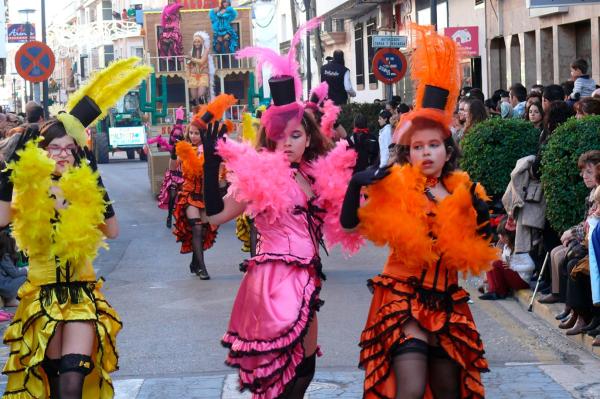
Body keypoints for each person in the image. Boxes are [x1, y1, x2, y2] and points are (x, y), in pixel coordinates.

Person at [341, 23, 496, 399]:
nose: (426, 152)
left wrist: (483, 218)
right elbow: (349, 224)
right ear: (407, 153)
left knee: (448, 391)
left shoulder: (467, 192)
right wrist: (356, 184)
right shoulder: (394, 187)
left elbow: (485, 245)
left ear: (448, 149)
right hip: (402, 298)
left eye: (434, 145)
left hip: (448, 301)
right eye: (417, 146)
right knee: (409, 390)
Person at [216, 17, 360, 398]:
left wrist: (361, 188)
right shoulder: (261, 174)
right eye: (280, 136)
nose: (288, 143)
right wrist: (206, 165)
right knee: (279, 371)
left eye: (296, 135)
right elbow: (221, 213)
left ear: (308, 135)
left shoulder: (315, 174)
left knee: (306, 370)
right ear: (269, 138)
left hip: (309, 279)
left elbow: (346, 223)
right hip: (274, 279)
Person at [0, 56, 149, 399]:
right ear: (40, 151)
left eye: (69, 149)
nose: (62, 155)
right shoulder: (28, 188)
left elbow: (112, 231)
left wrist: (95, 178)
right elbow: (2, 219)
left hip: (81, 294)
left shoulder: (83, 188)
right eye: (54, 148)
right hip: (42, 297)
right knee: (52, 386)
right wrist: (9, 176)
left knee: (73, 381)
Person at [172, 96, 233, 280]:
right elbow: (177, 170)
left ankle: (195, 261)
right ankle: (202, 268)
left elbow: (219, 171)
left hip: (206, 195)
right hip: (190, 194)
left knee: (205, 230)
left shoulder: (210, 150)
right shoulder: (184, 149)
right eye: (191, 133)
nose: (193, 136)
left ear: (204, 134)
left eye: (197, 133)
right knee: (197, 228)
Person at [538, 151, 600, 309]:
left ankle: (578, 312)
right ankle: (564, 301)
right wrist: (571, 232)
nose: (584, 176)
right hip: (589, 242)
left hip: (593, 246)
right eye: (583, 172)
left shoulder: (597, 195)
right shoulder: (591, 194)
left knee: (569, 260)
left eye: (589, 172)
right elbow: (586, 222)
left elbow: (591, 226)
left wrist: (572, 233)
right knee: (555, 252)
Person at [479, 217, 534, 300]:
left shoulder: (519, 249)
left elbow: (531, 265)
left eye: (501, 235)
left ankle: (499, 291)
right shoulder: (506, 247)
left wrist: (513, 266)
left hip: (522, 280)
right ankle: (492, 289)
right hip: (514, 275)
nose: (499, 236)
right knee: (491, 260)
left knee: (496, 263)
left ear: (508, 237)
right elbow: (506, 261)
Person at [157, 108, 185, 228]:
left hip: (184, 173)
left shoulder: (186, 145)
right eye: (175, 135)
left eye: (179, 135)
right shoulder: (170, 146)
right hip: (174, 173)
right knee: (173, 195)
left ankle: (181, 217)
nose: (177, 137)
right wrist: (158, 143)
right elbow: (160, 148)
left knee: (185, 197)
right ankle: (169, 216)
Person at [186, 31, 214, 105]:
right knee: (194, 100)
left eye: (198, 41)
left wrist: (191, 59)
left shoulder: (206, 51)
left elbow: (202, 61)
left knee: (201, 97)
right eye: (195, 42)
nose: (197, 43)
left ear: (202, 42)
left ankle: (203, 115)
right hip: (193, 76)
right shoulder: (191, 53)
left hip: (203, 76)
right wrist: (188, 77)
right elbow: (188, 66)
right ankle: (196, 116)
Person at [0, 229, 26, 307]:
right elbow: (14, 273)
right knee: (24, 277)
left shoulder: (6, 256)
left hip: (4, 284)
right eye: (16, 242)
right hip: (3, 286)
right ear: (10, 245)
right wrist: (26, 270)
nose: (18, 244)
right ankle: (10, 300)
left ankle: (11, 299)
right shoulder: (5, 257)